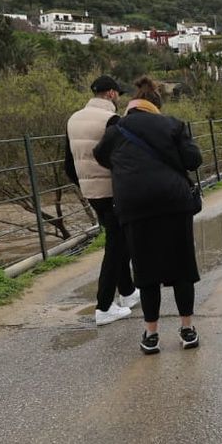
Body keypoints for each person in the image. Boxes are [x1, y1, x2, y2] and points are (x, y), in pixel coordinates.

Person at [93, 76, 204, 355]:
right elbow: (193, 160)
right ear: (156, 104)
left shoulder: (117, 130)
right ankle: (187, 329)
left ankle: (152, 334)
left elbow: (100, 156)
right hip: (174, 202)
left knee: (146, 270)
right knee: (182, 267)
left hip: (135, 206)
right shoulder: (172, 125)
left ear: (131, 105)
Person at [65, 74, 139, 326]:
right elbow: (121, 159)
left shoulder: (73, 119)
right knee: (116, 246)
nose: (118, 97)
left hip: (91, 192)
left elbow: (67, 163)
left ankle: (127, 293)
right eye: (117, 93)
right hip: (113, 190)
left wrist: (85, 184)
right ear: (110, 94)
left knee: (117, 239)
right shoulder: (112, 120)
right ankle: (104, 306)